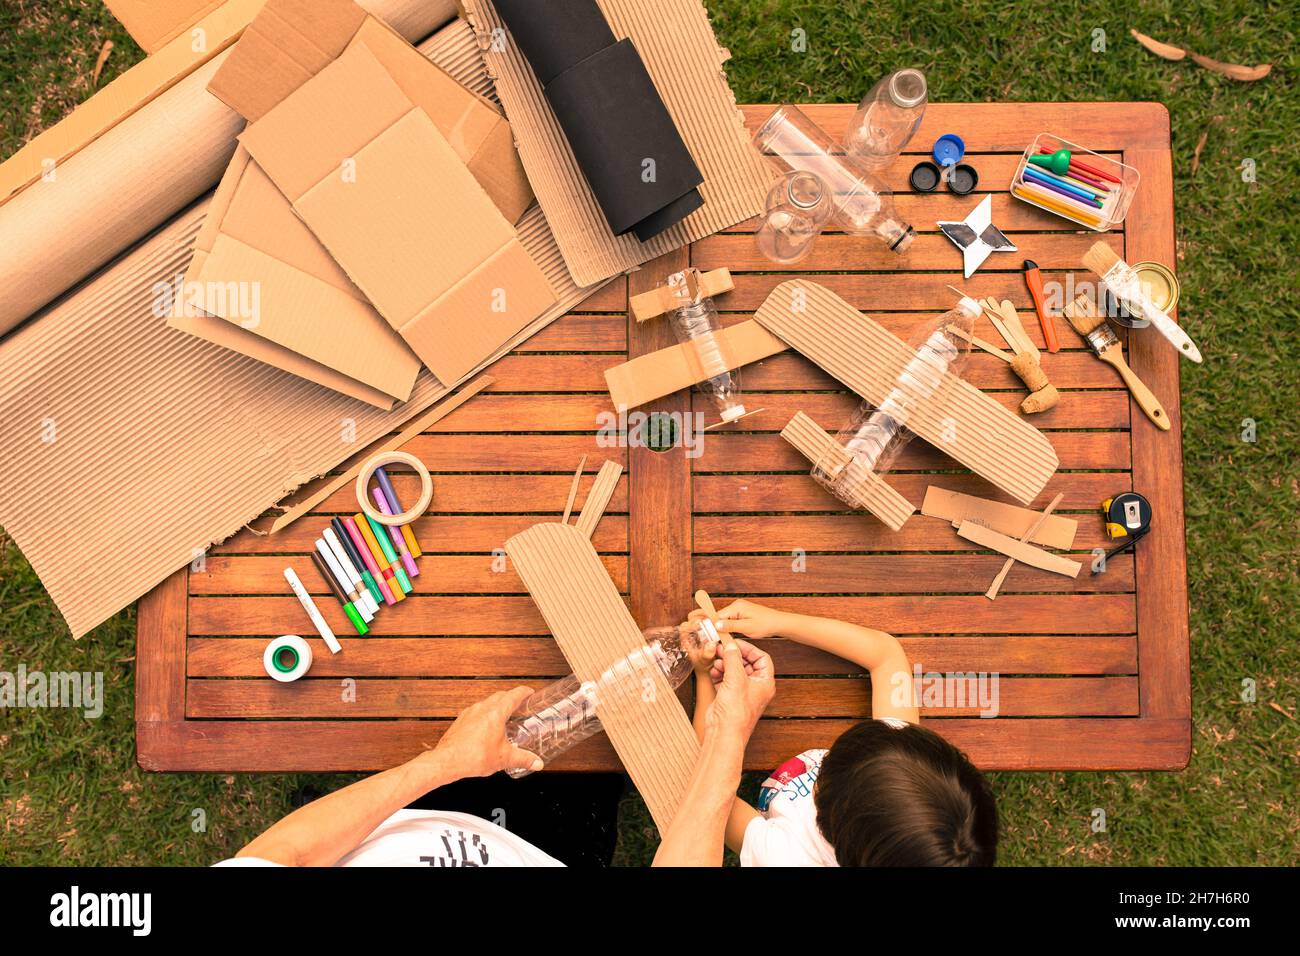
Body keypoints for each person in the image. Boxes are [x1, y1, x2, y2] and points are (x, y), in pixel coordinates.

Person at [216, 635, 773, 867]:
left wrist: (445, 762)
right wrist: (728, 733)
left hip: (424, 813)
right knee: (595, 777)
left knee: (571, 742)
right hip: (552, 851)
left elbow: (281, 855)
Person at [687, 599, 998, 867]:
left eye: (830, 765)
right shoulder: (902, 764)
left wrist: (705, 677)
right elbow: (885, 654)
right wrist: (778, 621)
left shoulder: (784, 856)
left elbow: (709, 794)